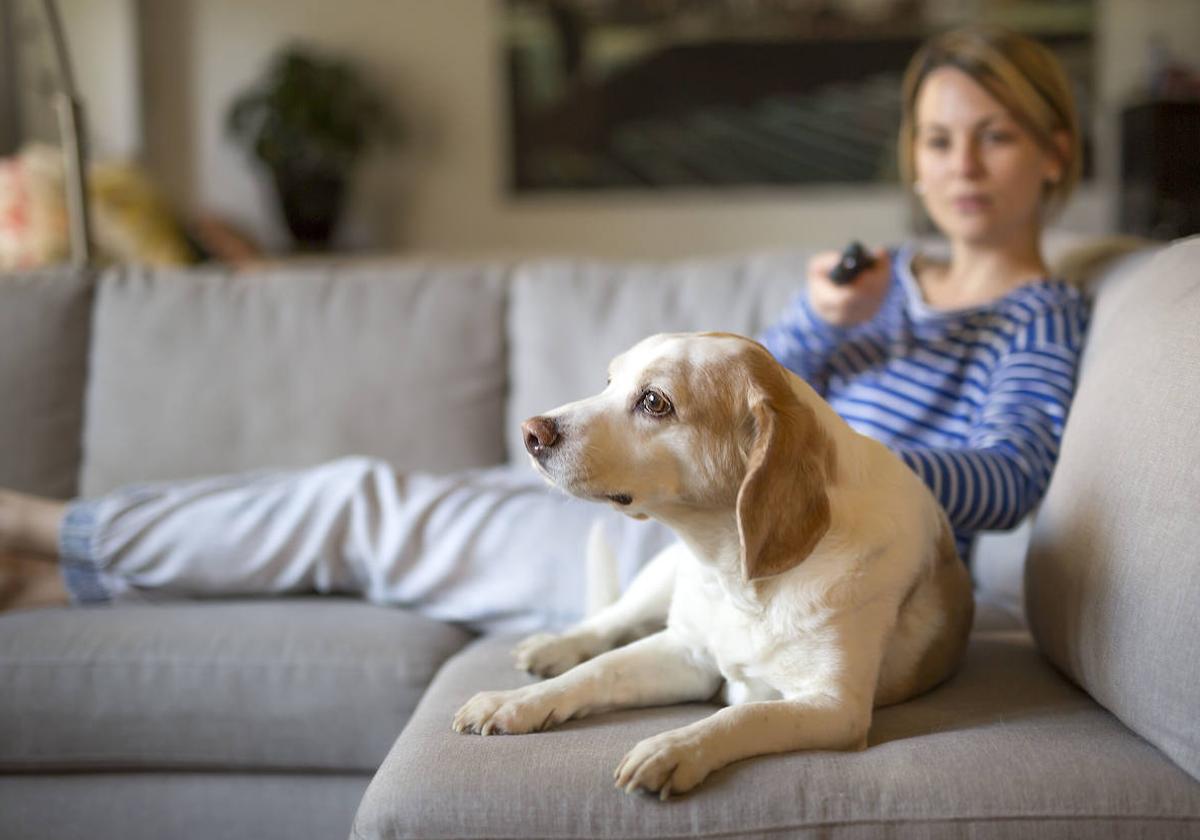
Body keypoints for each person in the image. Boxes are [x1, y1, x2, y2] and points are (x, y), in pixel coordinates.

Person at [0, 25, 1088, 631]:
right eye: (939, 140)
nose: (962, 166)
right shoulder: (876, 286)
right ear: (911, 157)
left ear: (1052, 151)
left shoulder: (1040, 317)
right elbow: (734, 407)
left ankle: (52, 533)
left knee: (358, 507)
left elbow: (1014, 476)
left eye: (994, 137)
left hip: (755, 562)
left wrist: (827, 464)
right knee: (382, 488)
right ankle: (61, 575)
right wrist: (817, 320)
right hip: (673, 510)